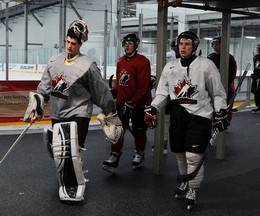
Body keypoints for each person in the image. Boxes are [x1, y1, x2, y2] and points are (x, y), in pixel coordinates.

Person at [23, 20, 122, 201]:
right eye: (68, 42)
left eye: (73, 43)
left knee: (73, 150)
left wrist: (110, 113)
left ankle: (75, 185)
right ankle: (70, 177)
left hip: (79, 113)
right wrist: (38, 102)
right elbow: (44, 87)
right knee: (61, 152)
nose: (69, 46)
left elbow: (101, 91)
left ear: (80, 44)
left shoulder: (87, 66)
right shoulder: (54, 61)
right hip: (58, 113)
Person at [144, 31, 229, 209]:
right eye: (181, 44)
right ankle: (185, 181)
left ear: (195, 46)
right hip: (178, 115)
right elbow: (162, 93)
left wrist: (221, 112)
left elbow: (218, 92)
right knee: (180, 154)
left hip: (200, 117)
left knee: (193, 157)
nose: (183, 47)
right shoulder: (170, 67)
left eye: (187, 44)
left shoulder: (206, 65)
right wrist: (153, 108)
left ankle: (193, 188)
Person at [102, 33, 152, 172]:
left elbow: (144, 86)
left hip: (139, 104)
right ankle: (114, 155)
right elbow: (120, 82)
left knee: (139, 130)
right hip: (123, 103)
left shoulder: (143, 61)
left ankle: (139, 153)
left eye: (130, 43)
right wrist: (114, 91)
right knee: (117, 130)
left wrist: (134, 102)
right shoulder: (120, 61)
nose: (127, 45)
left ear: (136, 44)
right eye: (125, 43)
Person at [151, 37, 180, 155]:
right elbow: (156, 68)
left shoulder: (193, 61)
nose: (177, 49)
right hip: (169, 92)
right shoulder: (168, 56)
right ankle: (163, 141)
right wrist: (153, 78)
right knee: (165, 119)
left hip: (183, 95)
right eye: (175, 47)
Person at [207, 36, 237, 121]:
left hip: (226, 86)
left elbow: (232, 74)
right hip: (212, 87)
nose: (214, 46)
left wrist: (223, 83)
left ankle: (225, 122)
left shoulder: (229, 58)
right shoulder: (210, 57)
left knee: (226, 106)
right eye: (213, 44)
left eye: (217, 44)